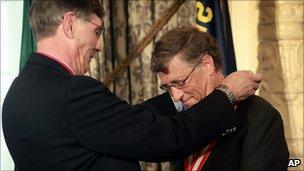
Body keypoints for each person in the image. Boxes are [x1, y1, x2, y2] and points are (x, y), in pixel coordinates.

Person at [2, 1, 262, 171]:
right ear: (70, 24)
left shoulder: (18, 92)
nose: (100, 45)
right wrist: (226, 93)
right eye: (96, 31)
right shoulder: (73, 93)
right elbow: (169, 139)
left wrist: (177, 96)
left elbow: (120, 124)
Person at [150, 26, 289, 171]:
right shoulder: (181, 119)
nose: (176, 96)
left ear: (207, 64)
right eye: (167, 87)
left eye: (180, 82)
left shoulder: (259, 116)